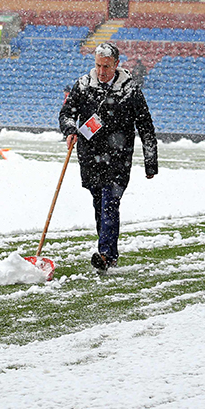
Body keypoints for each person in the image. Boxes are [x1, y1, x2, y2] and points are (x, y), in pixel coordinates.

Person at [60, 42, 157, 271]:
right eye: (98, 65)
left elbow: (145, 126)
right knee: (99, 204)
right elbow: (66, 114)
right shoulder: (83, 85)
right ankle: (108, 253)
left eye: (106, 66)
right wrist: (70, 130)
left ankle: (105, 254)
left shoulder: (130, 90)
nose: (101, 71)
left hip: (118, 158)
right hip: (90, 157)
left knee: (109, 203)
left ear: (116, 64)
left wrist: (150, 162)